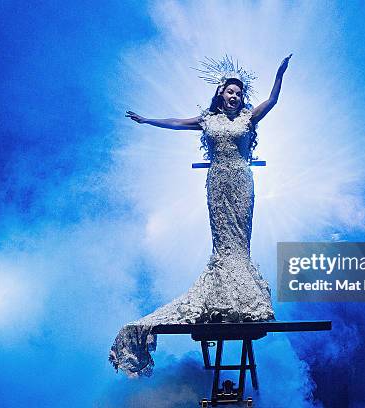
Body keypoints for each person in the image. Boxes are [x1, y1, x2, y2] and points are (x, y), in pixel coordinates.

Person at [110, 54, 292, 377]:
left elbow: (274, 99)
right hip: (217, 184)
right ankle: (222, 299)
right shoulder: (207, 119)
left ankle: (243, 300)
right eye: (230, 92)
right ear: (221, 94)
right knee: (223, 245)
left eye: (239, 93)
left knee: (239, 246)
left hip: (241, 182)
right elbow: (178, 123)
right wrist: (148, 120)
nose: (235, 97)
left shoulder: (249, 118)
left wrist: (279, 73)